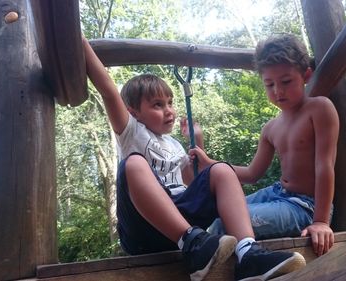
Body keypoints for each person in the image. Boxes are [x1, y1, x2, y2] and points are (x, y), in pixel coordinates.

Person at [82, 35, 306, 281]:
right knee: (134, 163)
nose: (169, 110)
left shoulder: (175, 145)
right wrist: (78, 41)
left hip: (181, 219)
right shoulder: (131, 132)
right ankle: (191, 242)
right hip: (144, 229)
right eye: (157, 105)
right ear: (133, 112)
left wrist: (196, 144)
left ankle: (247, 253)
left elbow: (192, 183)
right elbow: (108, 89)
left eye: (170, 102)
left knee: (221, 170)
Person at [198, 34, 340, 257]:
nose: (278, 91)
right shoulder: (271, 128)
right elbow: (252, 173)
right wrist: (210, 165)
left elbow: (325, 165)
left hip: (305, 206)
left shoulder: (319, 109)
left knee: (225, 224)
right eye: (269, 84)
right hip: (275, 194)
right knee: (216, 213)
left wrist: (321, 221)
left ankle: (249, 264)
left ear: (306, 75)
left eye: (286, 82)